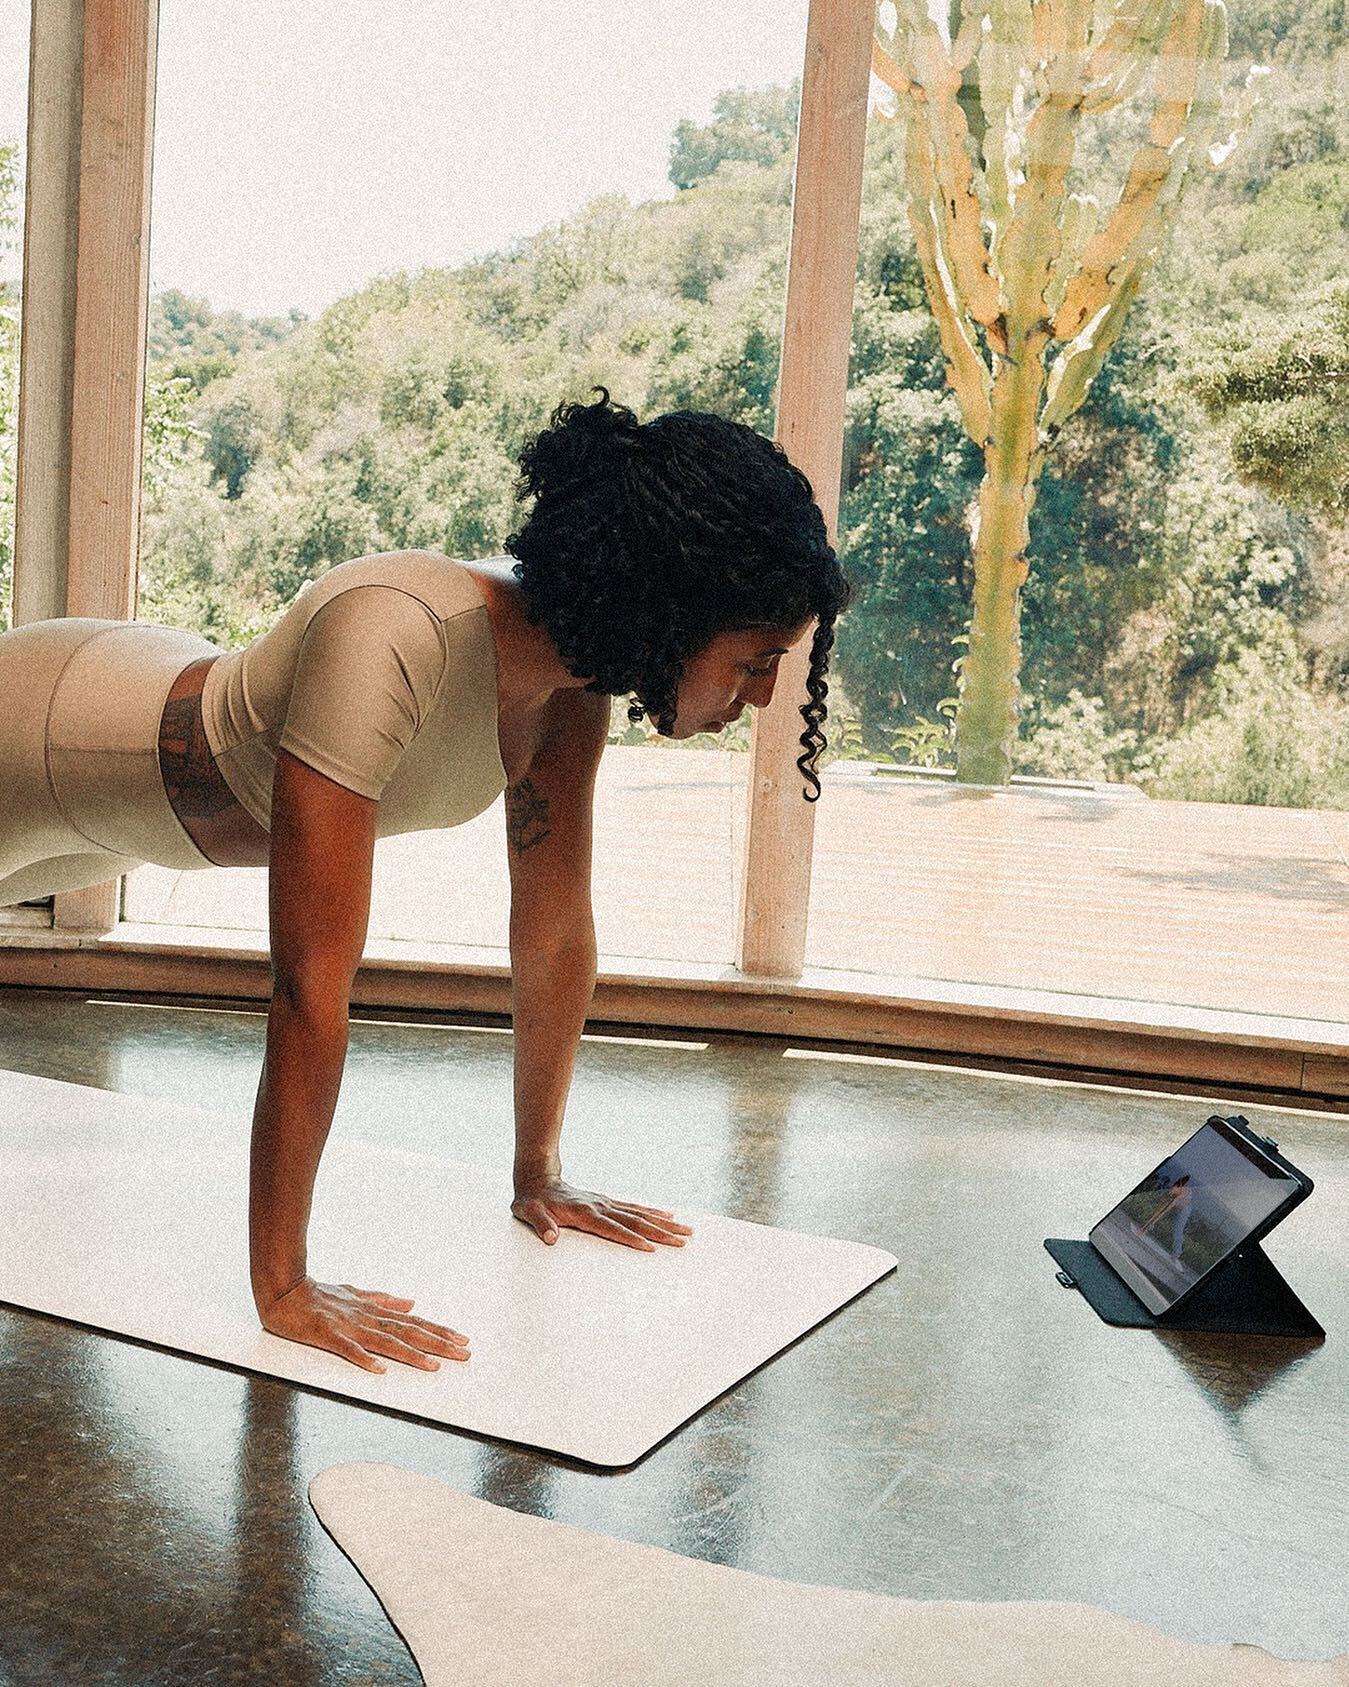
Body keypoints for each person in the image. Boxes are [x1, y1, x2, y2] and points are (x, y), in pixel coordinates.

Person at [0, 386, 853, 1374]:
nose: (758, 697)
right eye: (754, 662)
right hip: (39, 735)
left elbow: (549, 931)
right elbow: (307, 986)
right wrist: (281, 1285)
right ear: (669, 609)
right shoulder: (392, 631)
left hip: (119, 830)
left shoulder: (572, 694)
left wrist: (539, 1173)